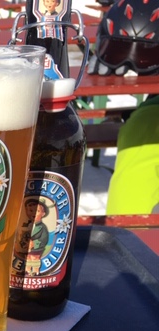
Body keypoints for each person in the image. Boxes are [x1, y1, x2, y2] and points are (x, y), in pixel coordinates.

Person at [86, 0, 159, 215]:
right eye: (118, 51)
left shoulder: (143, 124)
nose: (131, 65)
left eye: (146, 54)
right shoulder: (144, 121)